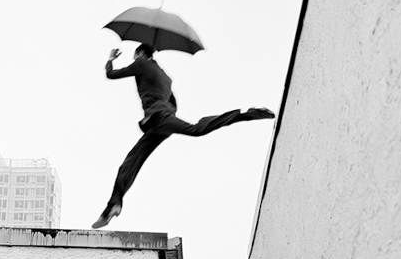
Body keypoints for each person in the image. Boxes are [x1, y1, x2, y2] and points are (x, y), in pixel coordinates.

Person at [92, 43, 274, 228]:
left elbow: (111, 75)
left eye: (135, 54)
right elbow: (174, 103)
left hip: (158, 119)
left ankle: (248, 113)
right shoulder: (166, 77)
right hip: (161, 123)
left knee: (194, 131)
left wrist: (110, 60)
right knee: (132, 160)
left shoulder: (141, 63)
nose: (134, 58)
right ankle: (113, 205)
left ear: (141, 53)